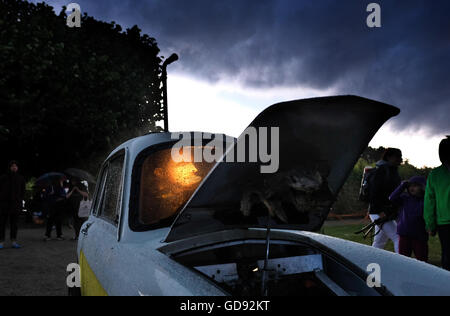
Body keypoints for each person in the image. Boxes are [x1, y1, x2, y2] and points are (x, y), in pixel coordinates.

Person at [368, 148, 403, 253]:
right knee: (398, 238)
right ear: (389, 157)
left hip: (384, 212)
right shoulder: (381, 171)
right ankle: (402, 265)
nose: (400, 159)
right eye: (397, 157)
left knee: (379, 242)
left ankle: (371, 264)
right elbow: (373, 193)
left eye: (400, 156)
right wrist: (380, 211)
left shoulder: (392, 171)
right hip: (379, 212)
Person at [424, 136, 450, 270]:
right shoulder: (434, 174)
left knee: (447, 254)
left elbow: (429, 201)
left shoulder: (435, 174)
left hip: (444, 223)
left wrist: (430, 224)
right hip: (444, 222)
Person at [389, 176, 428, 262]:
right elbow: (392, 198)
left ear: (422, 187)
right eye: (410, 186)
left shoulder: (426, 200)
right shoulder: (405, 198)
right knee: (403, 260)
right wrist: (402, 186)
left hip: (419, 236)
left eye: (415, 186)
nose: (412, 188)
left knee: (422, 260)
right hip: (404, 235)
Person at [0, 161, 26, 249]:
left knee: (14, 224)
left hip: (15, 204)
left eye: (16, 166)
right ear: (9, 167)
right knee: (2, 224)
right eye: (12, 166)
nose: (14, 167)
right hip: (4, 204)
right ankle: (1, 241)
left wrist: (19, 200)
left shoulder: (21, 178)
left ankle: (13, 241)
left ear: (17, 168)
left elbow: (23, 191)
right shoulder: (3, 177)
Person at [44, 176, 75, 241]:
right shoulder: (53, 187)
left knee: (56, 221)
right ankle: (52, 235)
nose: (62, 182)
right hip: (54, 206)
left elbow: (63, 196)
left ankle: (55, 235)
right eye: (61, 181)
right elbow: (63, 196)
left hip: (57, 206)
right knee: (52, 221)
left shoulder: (56, 187)